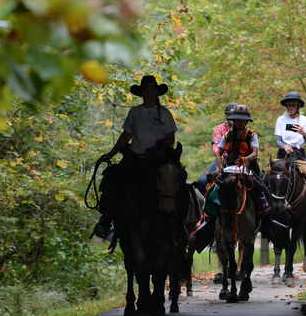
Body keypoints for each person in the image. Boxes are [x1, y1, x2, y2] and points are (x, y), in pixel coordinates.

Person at [93, 75, 177, 239]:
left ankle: (182, 220)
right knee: (113, 176)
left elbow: (170, 138)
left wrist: (159, 149)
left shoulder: (165, 113)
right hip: (135, 157)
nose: (149, 92)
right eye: (146, 89)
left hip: (159, 159)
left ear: (156, 92)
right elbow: (126, 136)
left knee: (174, 179)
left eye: (152, 89)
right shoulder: (135, 112)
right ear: (142, 92)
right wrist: (110, 154)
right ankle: (106, 219)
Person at [274, 91, 306, 229]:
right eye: (289, 105)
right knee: (269, 176)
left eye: (293, 105)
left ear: (298, 106)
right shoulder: (280, 120)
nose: (291, 107)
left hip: (299, 154)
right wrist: (284, 146)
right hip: (283, 154)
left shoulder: (305, 120)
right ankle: (267, 211)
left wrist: (303, 133)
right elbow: (278, 140)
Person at [216, 104, 270, 215]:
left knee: (259, 187)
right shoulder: (227, 135)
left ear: (246, 122)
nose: (239, 123)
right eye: (237, 120)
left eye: (242, 120)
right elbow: (218, 152)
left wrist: (245, 159)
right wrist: (220, 165)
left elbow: (255, 153)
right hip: (229, 167)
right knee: (215, 185)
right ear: (234, 121)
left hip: (248, 167)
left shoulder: (252, 135)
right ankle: (210, 213)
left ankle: (263, 211)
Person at [195, 103, 236, 192]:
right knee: (202, 181)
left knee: (259, 179)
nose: (232, 118)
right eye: (230, 116)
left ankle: (264, 199)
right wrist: (220, 159)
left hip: (241, 161)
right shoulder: (219, 129)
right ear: (226, 116)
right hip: (221, 160)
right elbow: (216, 147)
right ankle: (202, 200)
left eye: (235, 116)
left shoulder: (244, 129)